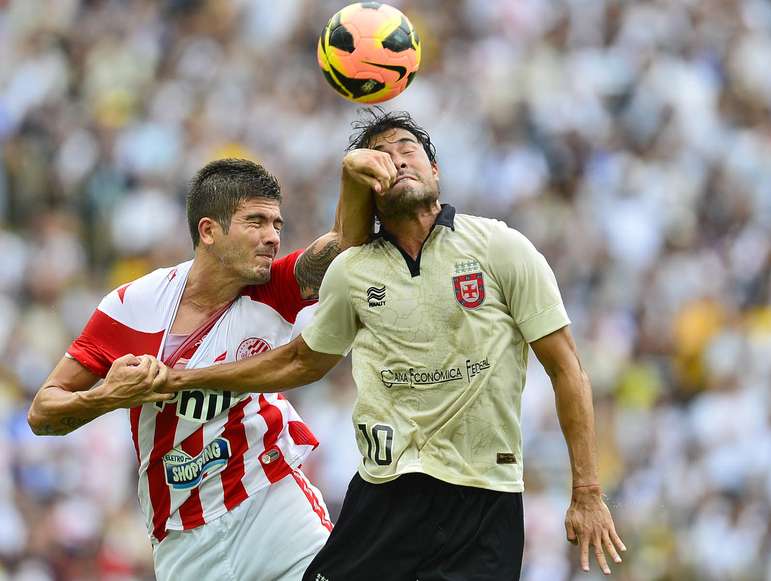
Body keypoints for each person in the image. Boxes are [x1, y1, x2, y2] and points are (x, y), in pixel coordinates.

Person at [158, 110, 626, 580]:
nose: (398, 161)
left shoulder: (499, 247)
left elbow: (567, 368)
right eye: (380, 158)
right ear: (371, 188)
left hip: (483, 499)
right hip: (385, 494)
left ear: (435, 171)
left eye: (408, 150)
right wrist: (182, 379)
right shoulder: (353, 270)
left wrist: (586, 491)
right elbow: (299, 362)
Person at [26, 157, 377, 581]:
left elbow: (344, 247)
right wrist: (107, 396)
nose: (272, 238)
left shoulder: (277, 286)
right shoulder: (132, 306)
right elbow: (43, 412)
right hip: (183, 533)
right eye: (256, 222)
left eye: (277, 225)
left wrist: (353, 175)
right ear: (209, 230)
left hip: (271, 502)